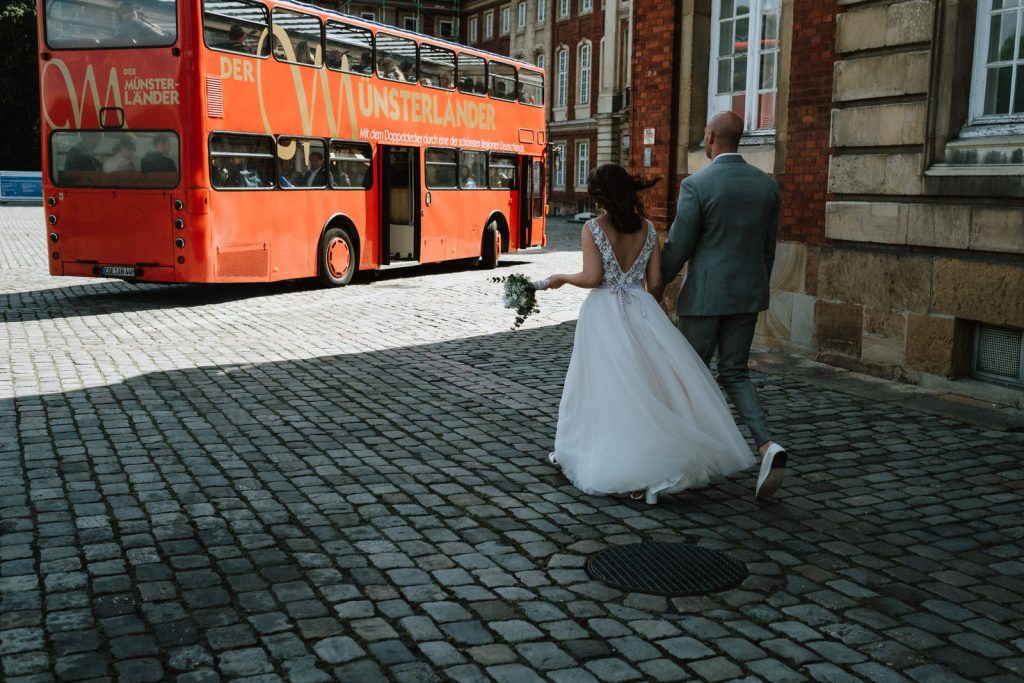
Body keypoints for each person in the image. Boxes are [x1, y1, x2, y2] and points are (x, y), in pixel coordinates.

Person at [535, 164, 754, 505]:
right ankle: (655, 457)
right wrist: (639, 303)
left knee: (604, 387)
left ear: (599, 196)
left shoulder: (593, 228)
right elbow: (655, 284)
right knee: (647, 385)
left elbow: (593, 278)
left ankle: (618, 461)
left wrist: (561, 277)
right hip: (641, 309)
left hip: (603, 311)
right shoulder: (649, 229)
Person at [661, 110, 787, 502]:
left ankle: (684, 460)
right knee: (735, 372)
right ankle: (766, 445)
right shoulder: (767, 187)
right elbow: (768, 251)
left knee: (689, 376)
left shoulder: (697, 185)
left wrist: (655, 282)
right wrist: (754, 288)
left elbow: (679, 246)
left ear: (711, 137)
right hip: (747, 295)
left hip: (704, 298)